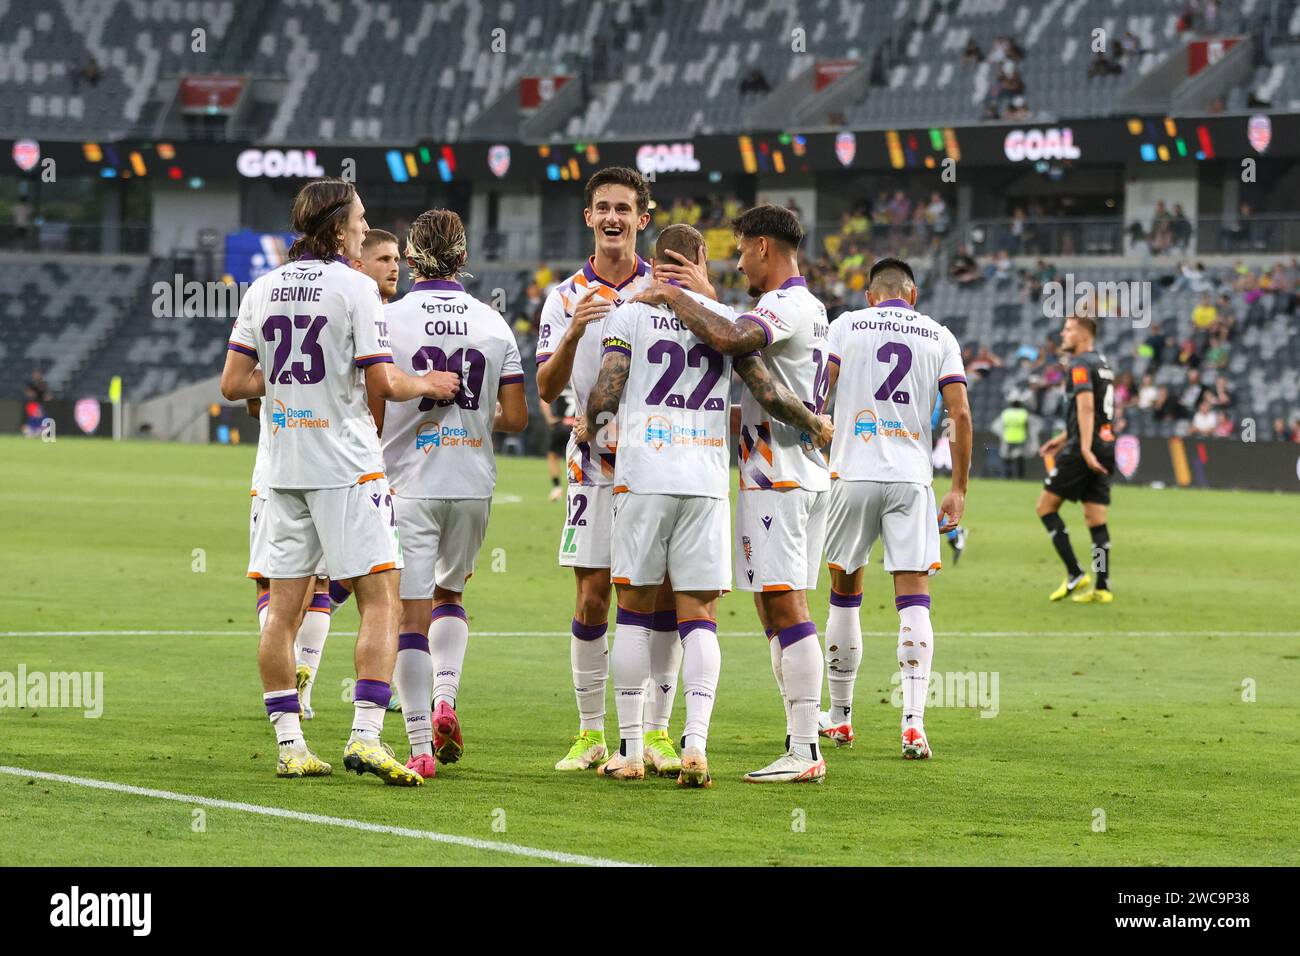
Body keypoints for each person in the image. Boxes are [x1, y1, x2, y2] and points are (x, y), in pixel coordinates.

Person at [220, 178, 459, 784]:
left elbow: (233, 383)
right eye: (360, 218)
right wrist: (427, 385)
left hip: (282, 467)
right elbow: (383, 385)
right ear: (337, 227)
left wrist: (288, 388)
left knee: (282, 609)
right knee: (382, 597)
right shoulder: (355, 288)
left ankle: (290, 745)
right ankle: (366, 736)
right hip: (347, 466)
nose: (364, 226)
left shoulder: (265, 287)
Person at [632, 204, 834, 784]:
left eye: (743, 249)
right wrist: (707, 296)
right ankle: (800, 741)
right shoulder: (813, 308)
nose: (738, 260)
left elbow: (733, 336)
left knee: (786, 604)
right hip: (794, 472)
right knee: (775, 607)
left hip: (781, 476)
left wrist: (676, 297)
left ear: (765, 248)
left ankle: (806, 750)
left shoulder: (785, 305)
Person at [534, 167, 683, 775]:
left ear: (642, 219)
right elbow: (546, 387)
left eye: (625, 208)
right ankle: (591, 733)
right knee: (593, 593)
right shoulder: (565, 296)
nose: (614, 218)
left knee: (659, 594)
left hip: (655, 466)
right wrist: (572, 332)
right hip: (593, 466)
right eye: (604, 208)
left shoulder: (667, 289)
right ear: (589, 217)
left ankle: (658, 733)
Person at [381, 209, 528, 780]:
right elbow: (515, 417)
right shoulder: (493, 323)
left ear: (413, 258)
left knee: (407, 616)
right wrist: (474, 412)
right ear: (463, 258)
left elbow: (374, 404)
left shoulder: (388, 320)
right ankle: (447, 698)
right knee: (451, 598)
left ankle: (419, 745)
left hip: (409, 482)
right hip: (471, 481)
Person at [815, 258, 971, 760]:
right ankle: (913, 725)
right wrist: (959, 489)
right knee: (914, 598)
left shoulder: (845, 325)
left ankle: (840, 719)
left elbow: (819, 392)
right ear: (913, 293)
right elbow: (960, 413)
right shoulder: (938, 335)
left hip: (852, 475)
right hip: (910, 478)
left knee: (844, 592)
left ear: (870, 296)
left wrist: (820, 442)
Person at [1035, 316, 1116, 604]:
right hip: (1106, 444)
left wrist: (1082, 448)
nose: (1062, 333)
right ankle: (1103, 587)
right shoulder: (1102, 363)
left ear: (1082, 334)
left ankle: (1075, 572)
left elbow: (1086, 408)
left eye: (1068, 329)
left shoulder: (1080, 364)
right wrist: (1062, 437)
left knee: (1045, 507)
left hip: (1087, 448)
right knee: (1096, 518)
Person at [541, 387, 576, 502]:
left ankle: (557, 488)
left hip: (561, 425)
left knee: (553, 457)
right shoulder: (581, 387)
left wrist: (550, 419)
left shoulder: (559, 386)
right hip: (577, 428)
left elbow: (543, 403)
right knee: (578, 459)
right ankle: (578, 488)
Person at [351, 228, 401, 302]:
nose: (395, 268)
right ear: (359, 266)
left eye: (396, 260)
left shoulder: (407, 312)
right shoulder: (340, 311)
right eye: (385, 259)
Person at [997, 397, 1031, 479]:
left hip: (1008, 438)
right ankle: (1020, 477)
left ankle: (1007, 476)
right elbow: (1027, 426)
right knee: (1020, 459)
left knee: (1007, 459)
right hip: (1020, 438)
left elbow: (1002, 425)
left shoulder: (1006, 413)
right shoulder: (1024, 413)